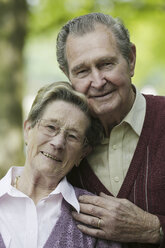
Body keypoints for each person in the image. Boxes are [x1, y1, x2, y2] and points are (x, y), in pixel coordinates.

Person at [56, 12, 165, 248]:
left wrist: (153, 228)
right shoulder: (61, 147)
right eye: (82, 71)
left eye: (106, 64)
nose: (97, 81)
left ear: (131, 59)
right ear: (68, 76)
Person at [0, 81, 122, 248]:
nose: (58, 143)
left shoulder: (95, 219)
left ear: (83, 152)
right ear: (28, 129)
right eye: (51, 127)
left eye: (72, 136)